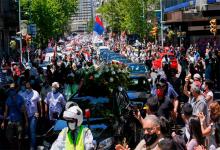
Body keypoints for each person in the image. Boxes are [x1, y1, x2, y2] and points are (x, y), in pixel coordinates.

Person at [1, 83, 28, 149]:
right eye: (10, 89)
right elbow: (6, 112)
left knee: (19, 137)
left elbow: (24, 110)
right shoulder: (8, 99)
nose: (11, 90)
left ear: (16, 89)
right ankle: (14, 146)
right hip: (11, 120)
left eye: (12, 89)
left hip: (19, 120)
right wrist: (3, 122)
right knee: (9, 137)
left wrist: (26, 121)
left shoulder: (20, 98)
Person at [22, 82, 41, 150]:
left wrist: (39, 113)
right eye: (26, 86)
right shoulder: (23, 94)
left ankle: (32, 147)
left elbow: (39, 104)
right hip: (25, 116)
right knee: (28, 131)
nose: (27, 87)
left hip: (34, 114)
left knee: (32, 130)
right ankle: (30, 144)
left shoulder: (36, 93)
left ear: (31, 86)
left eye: (28, 86)